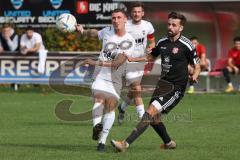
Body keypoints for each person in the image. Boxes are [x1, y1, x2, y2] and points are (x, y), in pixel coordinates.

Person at [111, 11, 201, 152]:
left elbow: (197, 65)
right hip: (162, 85)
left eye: (174, 25)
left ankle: (125, 144)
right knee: (154, 119)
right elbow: (152, 57)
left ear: (181, 28)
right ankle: (169, 143)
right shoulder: (162, 42)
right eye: (169, 24)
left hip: (176, 88)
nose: (170, 27)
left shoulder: (187, 45)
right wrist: (134, 59)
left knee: (150, 112)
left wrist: (195, 75)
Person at [75, 8, 135, 152]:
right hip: (100, 74)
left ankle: (102, 141)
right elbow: (95, 33)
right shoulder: (107, 31)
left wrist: (94, 62)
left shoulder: (129, 41)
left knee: (110, 107)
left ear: (125, 19)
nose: (116, 20)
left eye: (119, 18)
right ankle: (96, 127)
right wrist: (83, 30)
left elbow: (117, 63)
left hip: (115, 77)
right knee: (99, 98)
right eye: (113, 18)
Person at [117, 2, 156, 125]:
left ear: (143, 13)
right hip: (127, 61)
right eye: (134, 12)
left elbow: (152, 41)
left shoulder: (148, 26)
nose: (137, 14)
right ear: (131, 13)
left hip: (140, 61)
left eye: (139, 12)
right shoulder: (125, 25)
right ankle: (143, 118)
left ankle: (122, 108)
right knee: (137, 88)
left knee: (134, 90)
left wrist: (151, 47)